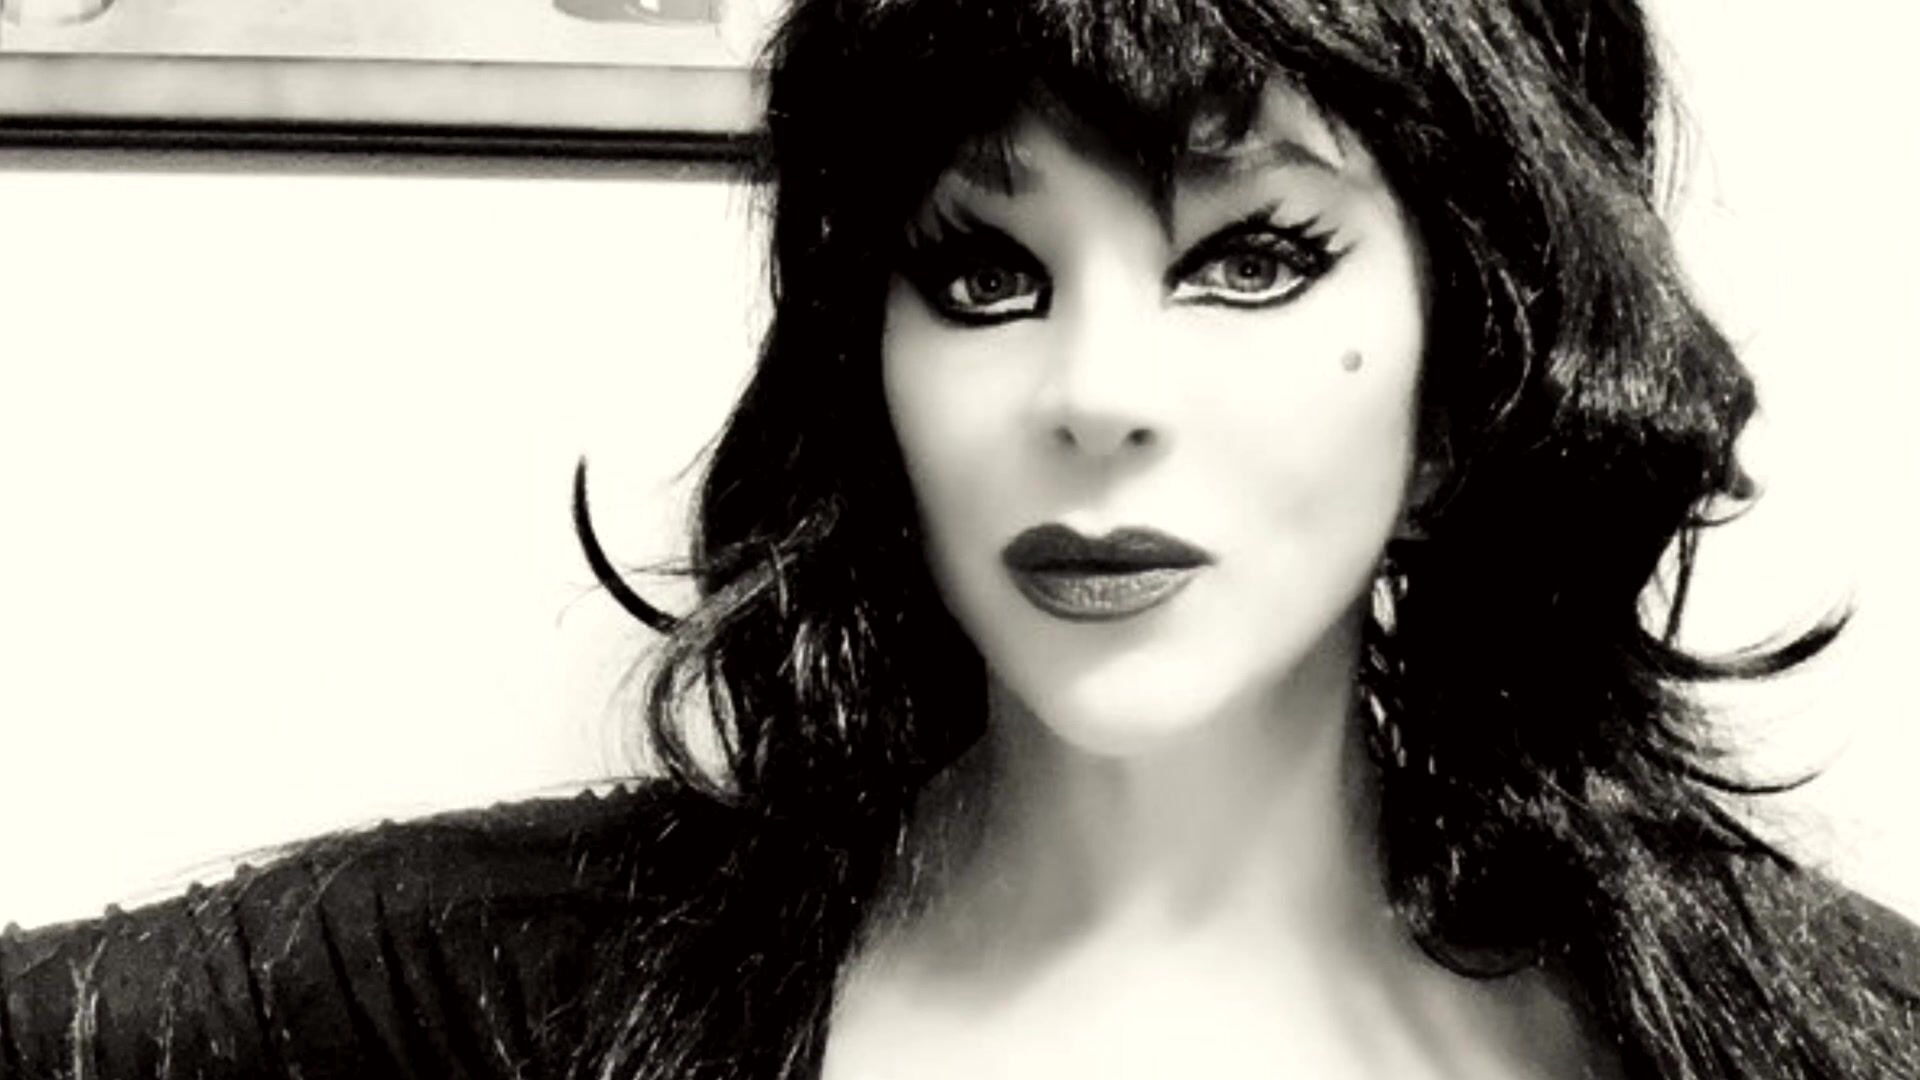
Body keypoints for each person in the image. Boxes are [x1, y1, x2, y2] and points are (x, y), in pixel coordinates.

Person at [4, 0, 1917, 1077]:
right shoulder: (494, 976)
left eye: (1253, 259)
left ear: (1476, 353)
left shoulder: (1814, 1034)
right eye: (984, 275)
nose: (1093, 393)